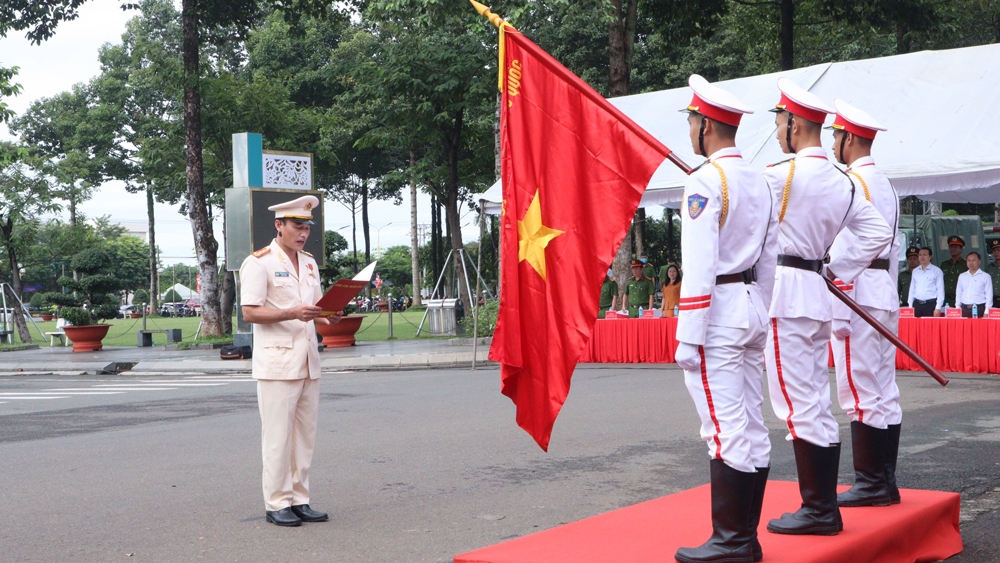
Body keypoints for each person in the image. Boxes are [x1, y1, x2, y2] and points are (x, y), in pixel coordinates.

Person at [762, 78, 891, 537]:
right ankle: (822, 507)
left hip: (787, 292)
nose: (778, 132)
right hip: (818, 290)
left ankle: (817, 509)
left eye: (780, 123)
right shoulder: (843, 181)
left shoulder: (780, 176)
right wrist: (835, 267)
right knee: (815, 398)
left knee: (796, 402)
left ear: (795, 124)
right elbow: (879, 236)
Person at [672, 74, 778, 563]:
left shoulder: (703, 181)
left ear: (707, 127)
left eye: (693, 120)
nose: (690, 128)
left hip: (717, 313)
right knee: (750, 424)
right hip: (753, 304)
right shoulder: (760, 179)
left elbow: (698, 267)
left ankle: (732, 540)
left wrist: (688, 336)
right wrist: (765, 307)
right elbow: (771, 256)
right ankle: (745, 537)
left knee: (723, 426)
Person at [239, 194, 343, 527]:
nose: (303, 233)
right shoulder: (259, 262)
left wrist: (330, 318)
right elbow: (250, 312)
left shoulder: (309, 262)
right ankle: (277, 502)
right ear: (279, 225)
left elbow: (315, 311)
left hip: (308, 360)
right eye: (297, 226)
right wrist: (292, 313)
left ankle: (300, 498)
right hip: (277, 364)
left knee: (304, 437)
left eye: (307, 227)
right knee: (278, 437)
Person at [826, 99, 902, 508]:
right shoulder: (886, 182)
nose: (835, 142)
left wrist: (838, 300)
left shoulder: (850, 183)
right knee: (883, 388)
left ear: (850, 138)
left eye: (836, 136)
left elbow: (845, 246)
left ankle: (871, 482)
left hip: (856, 292)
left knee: (858, 389)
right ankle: (885, 481)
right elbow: (891, 249)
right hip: (883, 293)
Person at [908, 247, 945, 317]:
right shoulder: (915, 271)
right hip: (917, 304)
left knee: (930, 327)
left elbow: (940, 290)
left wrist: (938, 307)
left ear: (930, 257)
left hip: (930, 304)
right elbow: (912, 289)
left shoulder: (937, 271)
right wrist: (910, 306)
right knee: (916, 327)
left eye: (924, 255)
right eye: (920, 255)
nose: (922, 257)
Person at [955, 252, 992, 318]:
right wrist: (958, 307)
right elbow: (959, 293)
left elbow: (989, 295)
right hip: (964, 308)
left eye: (973, 260)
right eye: (969, 260)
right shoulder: (962, 276)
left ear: (979, 262)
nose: (971, 263)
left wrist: (987, 311)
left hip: (980, 308)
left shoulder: (986, 276)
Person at [940, 235, 968, 306]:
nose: (953, 249)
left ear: (961, 249)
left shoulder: (966, 264)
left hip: (961, 300)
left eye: (955, 247)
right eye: (951, 247)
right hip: (945, 300)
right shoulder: (944, 264)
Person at [983, 240, 1000, 306]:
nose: (996, 253)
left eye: (998, 250)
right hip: (992, 300)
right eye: (994, 251)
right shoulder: (988, 268)